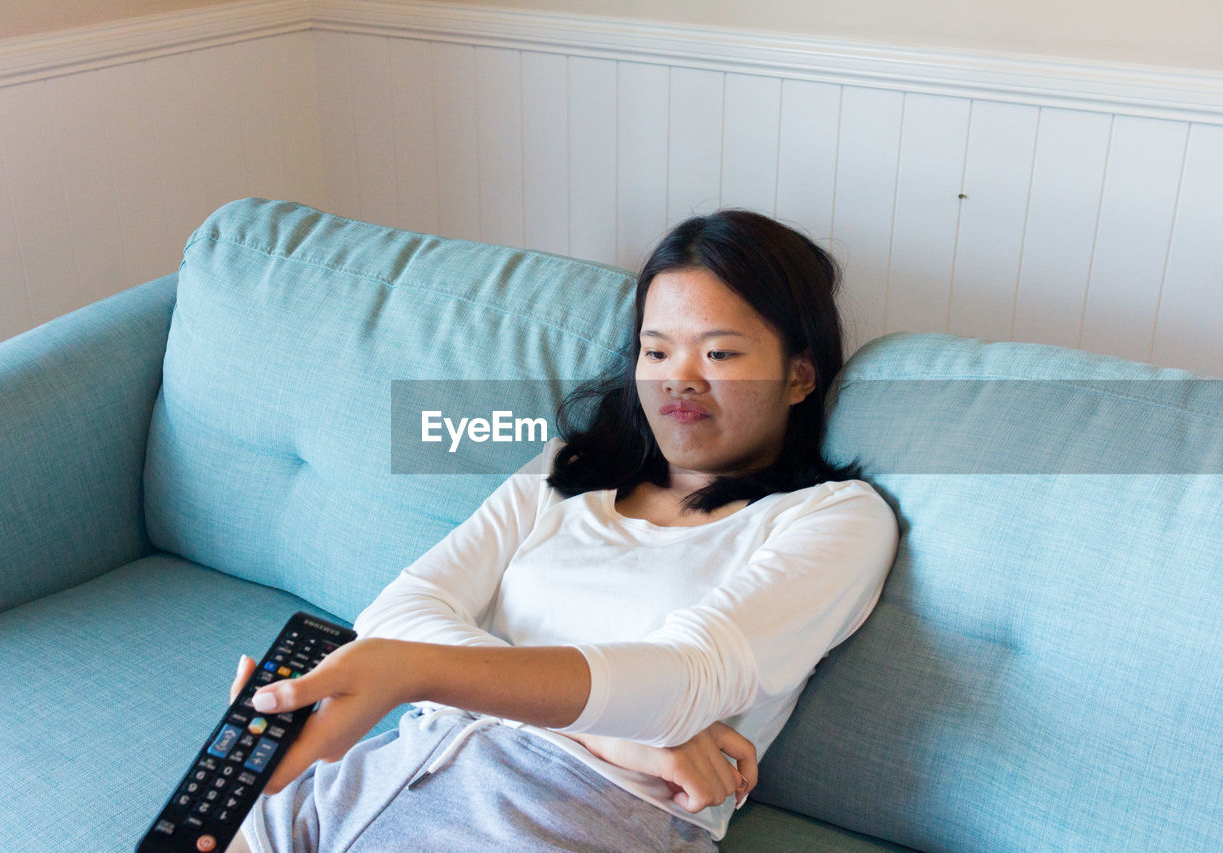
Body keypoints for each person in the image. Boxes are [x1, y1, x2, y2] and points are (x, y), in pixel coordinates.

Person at [226, 210, 899, 852]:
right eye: (656, 350)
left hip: (568, 814)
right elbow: (396, 612)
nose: (678, 381)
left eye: (719, 353)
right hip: (383, 770)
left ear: (799, 375)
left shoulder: (836, 518)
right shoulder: (566, 469)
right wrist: (620, 736)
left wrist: (418, 670)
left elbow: (684, 680)